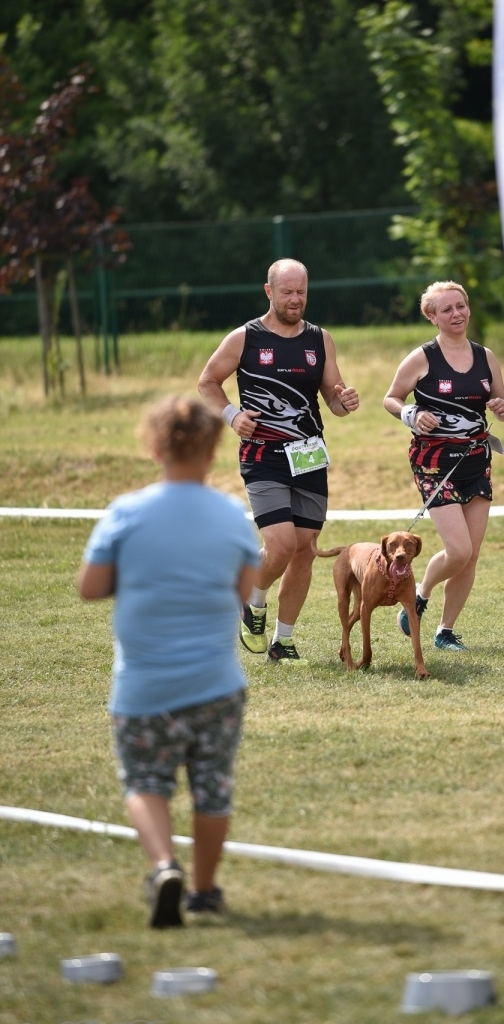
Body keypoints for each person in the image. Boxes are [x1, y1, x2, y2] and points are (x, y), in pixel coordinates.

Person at [77, 396, 261, 928]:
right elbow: (246, 592)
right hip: (216, 684)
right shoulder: (231, 515)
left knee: (145, 784)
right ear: (213, 450)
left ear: (154, 447)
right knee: (213, 788)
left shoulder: (126, 512)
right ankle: (204, 891)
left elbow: (90, 588)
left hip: (143, 688)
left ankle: (163, 867)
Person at [197, 257, 359, 663]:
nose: (295, 299)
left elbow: (332, 399)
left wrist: (344, 401)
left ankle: (282, 641)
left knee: (305, 548)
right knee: (282, 543)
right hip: (262, 454)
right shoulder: (245, 338)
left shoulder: (320, 339)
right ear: (269, 291)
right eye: (287, 292)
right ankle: (253, 594)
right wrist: (233, 416)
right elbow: (208, 381)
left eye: (301, 291)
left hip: (308, 454)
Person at [383, 280, 504, 651]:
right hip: (434, 463)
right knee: (459, 550)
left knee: (471, 553)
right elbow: (391, 398)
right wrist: (413, 413)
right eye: (447, 310)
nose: (457, 314)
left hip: (476, 460)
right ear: (432, 317)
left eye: (461, 306)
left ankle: (444, 631)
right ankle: (420, 595)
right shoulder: (422, 357)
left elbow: (500, 402)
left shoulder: (486, 356)